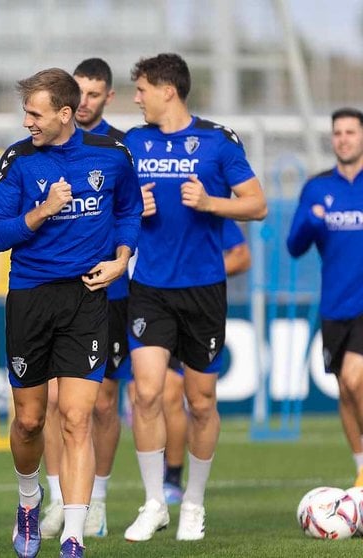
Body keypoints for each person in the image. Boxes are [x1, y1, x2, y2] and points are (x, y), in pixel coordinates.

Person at [0, 68, 141, 558]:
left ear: (65, 114)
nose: (27, 121)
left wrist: (121, 258)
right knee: (31, 421)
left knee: (78, 416)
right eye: (26, 112)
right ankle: (29, 499)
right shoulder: (18, 159)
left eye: (35, 112)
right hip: (30, 298)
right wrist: (42, 211)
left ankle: (73, 535)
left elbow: (129, 211)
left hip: (87, 299)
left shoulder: (111, 157)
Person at [121, 53, 267, 543]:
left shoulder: (218, 142)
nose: (136, 98)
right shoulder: (132, 143)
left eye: (141, 89)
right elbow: (111, 210)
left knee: (201, 403)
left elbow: (257, 205)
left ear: (168, 90)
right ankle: (154, 502)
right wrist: (130, 212)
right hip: (149, 289)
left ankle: (195, 505)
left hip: (203, 291)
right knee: (145, 393)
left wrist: (210, 202)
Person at [39, 57, 131, 541]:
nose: (87, 101)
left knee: (102, 403)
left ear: (106, 98)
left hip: (107, 293)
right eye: (81, 93)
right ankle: (60, 499)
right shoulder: (42, 151)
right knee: (55, 401)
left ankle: (96, 499)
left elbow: (131, 212)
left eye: (95, 94)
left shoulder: (119, 148)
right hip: (54, 294)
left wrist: (122, 254)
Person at [288, 107, 363, 489]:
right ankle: (361, 471)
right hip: (334, 306)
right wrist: (310, 220)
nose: (344, 139)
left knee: (356, 377)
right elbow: (294, 246)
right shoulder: (317, 188)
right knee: (345, 391)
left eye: (350, 132)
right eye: (338, 133)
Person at [161, 219, 250, 504]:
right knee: (150, 394)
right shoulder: (142, 191)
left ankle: (173, 479)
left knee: (185, 395)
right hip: (146, 300)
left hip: (196, 304)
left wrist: (199, 273)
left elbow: (241, 255)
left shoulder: (206, 201)